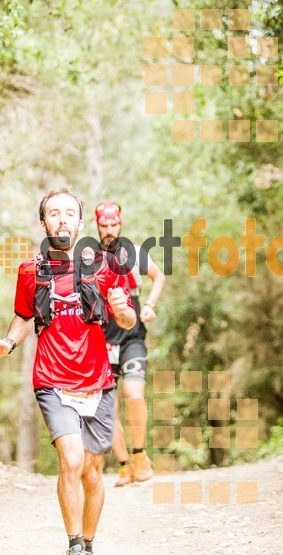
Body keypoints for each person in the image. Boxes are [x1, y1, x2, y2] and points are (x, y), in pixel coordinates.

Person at [0, 189, 136, 555]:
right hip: (52, 378)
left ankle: (88, 548)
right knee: (70, 460)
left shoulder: (105, 267)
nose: (62, 219)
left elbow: (124, 320)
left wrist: (122, 311)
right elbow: (22, 318)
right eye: (54, 213)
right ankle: (72, 546)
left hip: (97, 382)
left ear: (81, 223)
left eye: (70, 213)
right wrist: (8, 342)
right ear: (43, 223)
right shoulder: (29, 271)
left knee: (91, 471)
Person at [95, 201, 166, 486]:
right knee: (107, 405)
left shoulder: (134, 253)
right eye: (104, 226)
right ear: (97, 225)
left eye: (114, 225)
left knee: (133, 393)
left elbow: (158, 276)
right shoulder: (89, 258)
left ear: (120, 224)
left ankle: (140, 455)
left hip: (133, 336)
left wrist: (149, 304)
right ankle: (124, 465)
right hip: (103, 340)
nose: (110, 230)